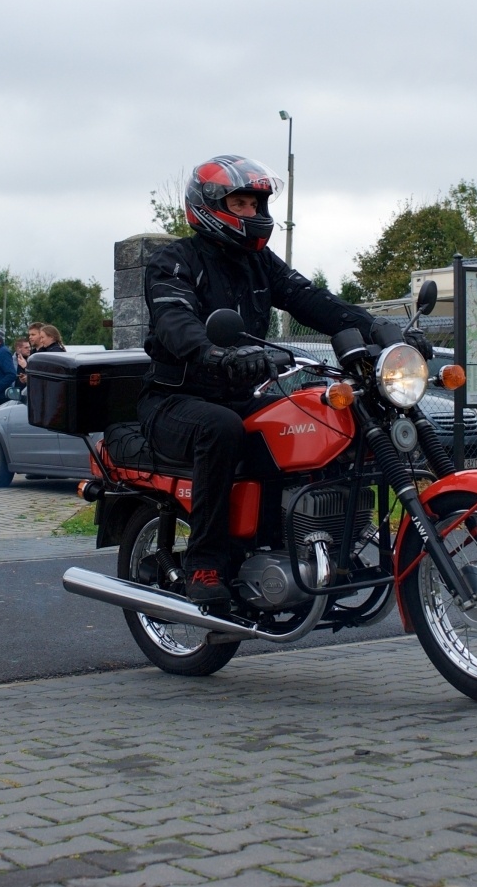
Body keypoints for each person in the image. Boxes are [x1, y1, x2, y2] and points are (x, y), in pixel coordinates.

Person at [140, 155, 389, 609]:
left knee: (314, 421)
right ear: (209, 206)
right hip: (175, 402)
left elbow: (311, 299)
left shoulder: (260, 264)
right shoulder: (173, 261)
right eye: (241, 203)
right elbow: (175, 321)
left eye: (257, 204)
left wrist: (378, 329)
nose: (253, 214)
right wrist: (213, 351)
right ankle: (205, 563)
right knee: (220, 428)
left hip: (242, 396)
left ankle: (299, 545)